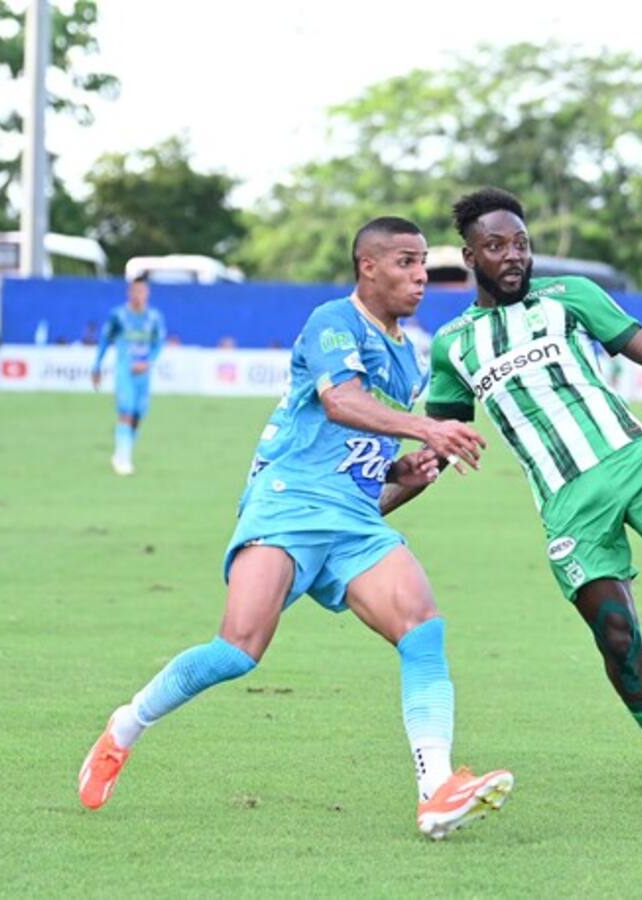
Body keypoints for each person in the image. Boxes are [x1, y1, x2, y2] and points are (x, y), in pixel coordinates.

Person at [78, 217, 514, 840]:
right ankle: (126, 726)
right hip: (287, 502)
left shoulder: (407, 357)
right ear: (368, 267)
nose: (421, 275)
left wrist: (403, 476)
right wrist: (428, 429)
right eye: (406, 262)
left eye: (423, 263)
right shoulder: (333, 321)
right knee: (237, 650)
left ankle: (435, 790)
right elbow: (339, 402)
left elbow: (361, 470)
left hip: (352, 520)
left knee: (423, 627)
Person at [405, 188, 642, 799]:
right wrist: (376, 496)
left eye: (521, 243)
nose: (513, 255)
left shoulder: (571, 297)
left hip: (632, 458)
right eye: (496, 245)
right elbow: (438, 445)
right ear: (470, 256)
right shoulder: (453, 345)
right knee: (618, 640)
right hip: (567, 503)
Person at [91, 275, 166, 475]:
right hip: (124, 371)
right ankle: (122, 459)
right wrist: (96, 367)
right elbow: (104, 341)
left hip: (144, 374)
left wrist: (148, 362)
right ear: (129, 293)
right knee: (126, 410)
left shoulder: (154, 317)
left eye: (142, 291)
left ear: (147, 293)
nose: (139, 295)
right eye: (135, 291)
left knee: (138, 414)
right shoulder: (118, 316)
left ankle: (122, 454)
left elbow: (159, 344)